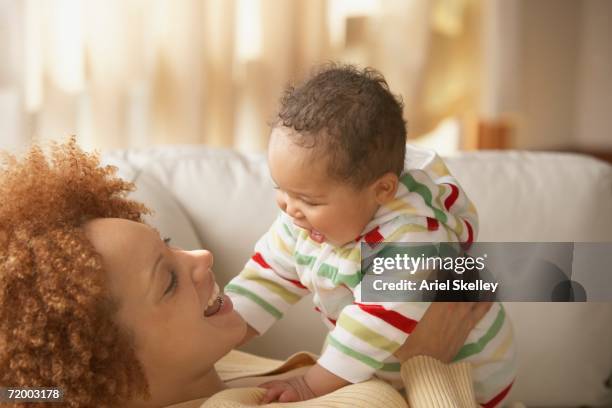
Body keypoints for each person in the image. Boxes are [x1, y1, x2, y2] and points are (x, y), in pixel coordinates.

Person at [0, 139, 494, 407]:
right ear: (108, 367)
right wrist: (429, 361)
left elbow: (27, 390)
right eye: (169, 279)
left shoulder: (212, 373)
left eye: (171, 247)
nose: (202, 257)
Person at [225, 64, 516, 405]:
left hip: (471, 379)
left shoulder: (411, 238)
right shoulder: (301, 223)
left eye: (309, 199)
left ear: (382, 190)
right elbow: (265, 277)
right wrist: (220, 331)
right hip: (382, 369)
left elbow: (371, 326)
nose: (289, 209)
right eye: (282, 190)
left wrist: (309, 387)